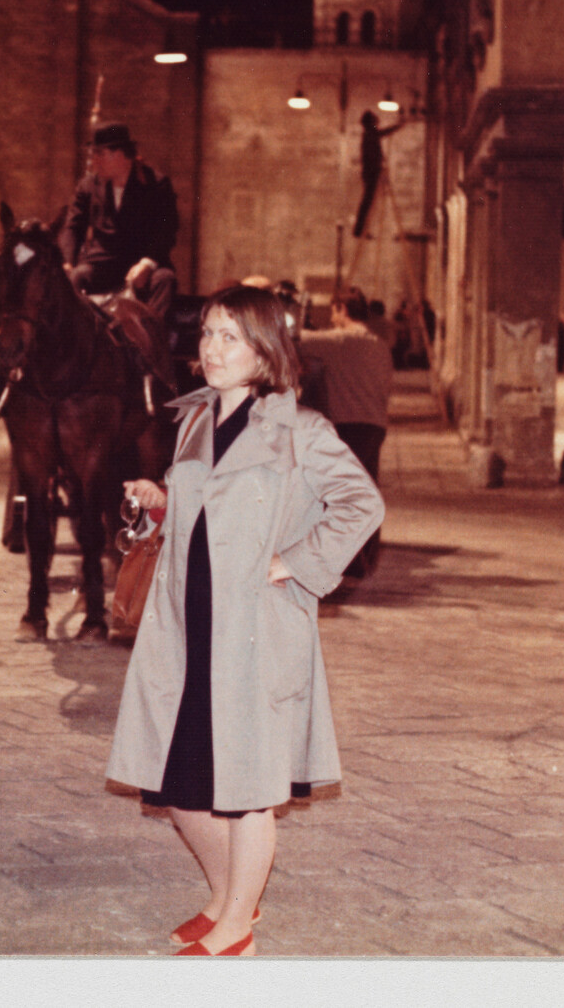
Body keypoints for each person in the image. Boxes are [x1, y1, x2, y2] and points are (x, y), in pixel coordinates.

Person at [107, 285, 384, 957]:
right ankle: (229, 895)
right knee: (176, 786)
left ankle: (237, 927)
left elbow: (362, 504)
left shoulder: (302, 430)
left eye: (228, 336)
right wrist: (161, 504)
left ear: (265, 350)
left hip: (256, 631)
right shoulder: (196, 418)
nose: (211, 348)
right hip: (189, 625)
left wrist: (297, 559)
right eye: (206, 333)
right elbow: (206, 514)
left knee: (250, 787)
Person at [298, 286, 394, 581]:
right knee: (367, 489)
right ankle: (366, 560)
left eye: (333, 310)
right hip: (375, 424)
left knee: (341, 495)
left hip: (348, 424)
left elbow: (293, 340)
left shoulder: (338, 340)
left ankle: (349, 563)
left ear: (340, 309)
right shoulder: (381, 345)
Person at [59, 121, 180, 322]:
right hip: (101, 266)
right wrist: (67, 262)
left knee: (165, 280)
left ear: (120, 155)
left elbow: (166, 229)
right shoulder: (88, 186)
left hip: (142, 264)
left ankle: (149, 343)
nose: (93, 162)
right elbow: (72, 227)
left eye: (98, 154)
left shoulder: (156, 184)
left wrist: (147, 263)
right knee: (76, 278)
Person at [353, 109, 406, 237]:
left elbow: (383, 133)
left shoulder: (369, 134)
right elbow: (384, 133)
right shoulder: (370, 134)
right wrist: (399, 124)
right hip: (372, 172)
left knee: (367, 201)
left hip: (370, 172)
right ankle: (359, 230)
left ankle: (360, 229)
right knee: (367, 201)